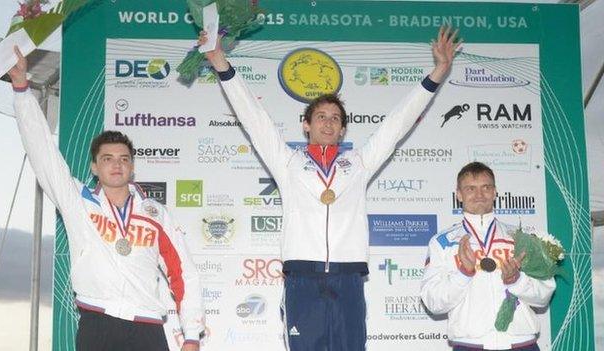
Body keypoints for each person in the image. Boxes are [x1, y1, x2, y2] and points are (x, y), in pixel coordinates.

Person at [199, 27, 460, 350]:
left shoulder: (359, 164)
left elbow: (398, 123)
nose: (327, 122)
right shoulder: (288, 163)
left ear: (343, 128)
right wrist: (221, 63)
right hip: (302, 279)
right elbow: (254, 118)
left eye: (335, 118)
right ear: (306, 124)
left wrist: (438, 71)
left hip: (348, 278)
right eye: (320, 116)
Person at [8, 47, 203, 351]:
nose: (116, 164)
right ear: (94, 167)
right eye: (108, 158)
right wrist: (22, 89)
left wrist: (191, 334)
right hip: (98, 322)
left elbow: (184, 272)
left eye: (124, 159)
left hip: (148, 326)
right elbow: (42, 152)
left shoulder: (155, 213)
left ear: (132, 166)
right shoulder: (78, 201)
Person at [420, 162, 556, 351]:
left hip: (522, 343)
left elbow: (544, 295)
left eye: (486, 187)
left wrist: (516, 280)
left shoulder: (520, 238)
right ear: (459, 194)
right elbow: (433, 302)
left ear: (495, 192)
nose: (479, 195)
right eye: (470, 188)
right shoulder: (443, 242)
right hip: (470, 345)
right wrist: (463, 273)